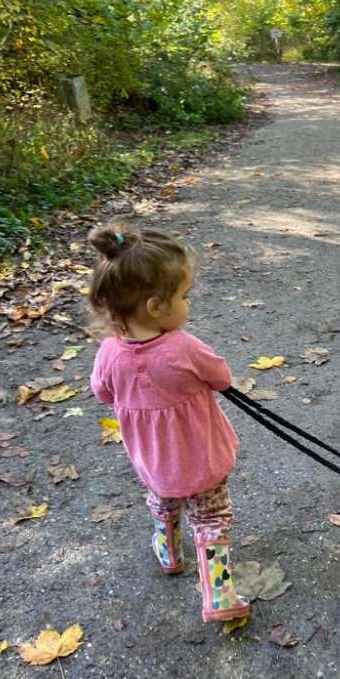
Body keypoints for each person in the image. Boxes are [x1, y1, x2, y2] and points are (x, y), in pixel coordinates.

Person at [87, 223, 250, 624]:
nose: (188, 303)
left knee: (163, 500)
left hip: (153, 461)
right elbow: (222, 378)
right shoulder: (183, 347)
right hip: (201, 458)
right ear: (156, 306)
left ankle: (169, 553)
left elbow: (102, 393)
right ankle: (219, 593)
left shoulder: (109, 352)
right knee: (211, 517)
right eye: (183, 296)